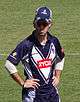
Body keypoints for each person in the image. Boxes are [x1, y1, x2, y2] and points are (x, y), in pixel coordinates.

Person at [5, 6, 65, 102]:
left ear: (50, 24)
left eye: (44, 24)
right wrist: (23, 83)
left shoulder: (54, 42)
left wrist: (57, 76)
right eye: (39, 23)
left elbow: (61, 57)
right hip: (33, 96)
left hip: (52, 95)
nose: (41, 27)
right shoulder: (26, 44)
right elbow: (9, 63)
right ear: (34, 24)